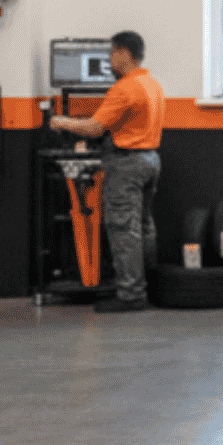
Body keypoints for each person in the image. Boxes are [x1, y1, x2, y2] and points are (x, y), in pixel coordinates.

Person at [50, 30, 166, 314]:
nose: (109, 61)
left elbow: (94, 127)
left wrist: (61, 121)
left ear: (124, 53)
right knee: (142, 227)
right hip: (150, 160)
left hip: (126, 164)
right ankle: (148, 285)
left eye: (111, 54)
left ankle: (131, 294)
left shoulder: (125, 88)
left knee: (123, 230)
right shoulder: (151, 84)